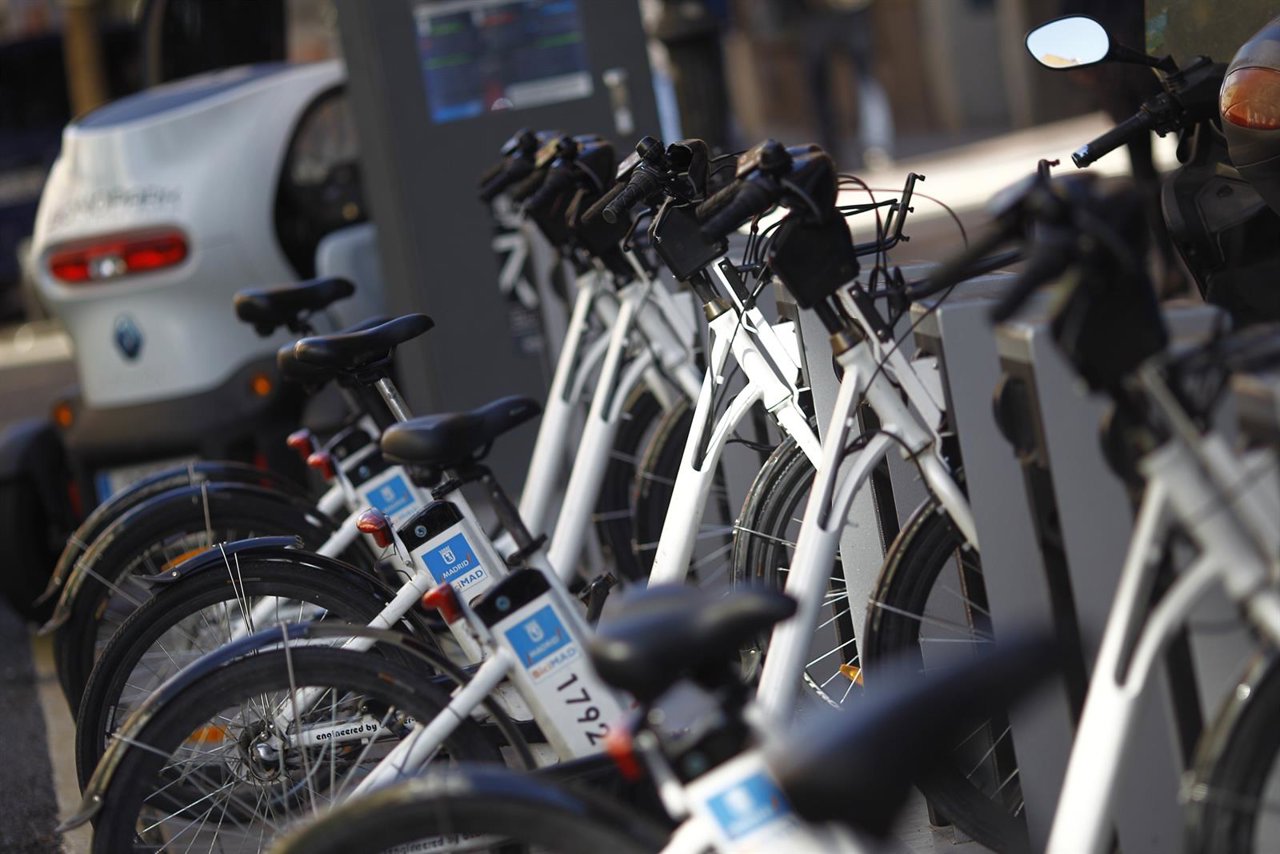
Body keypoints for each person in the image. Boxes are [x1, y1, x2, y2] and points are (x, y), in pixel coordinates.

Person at [802, 0, 894, 170]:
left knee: (866, 82)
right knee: (820, 87)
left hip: (852, 9)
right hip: (814, 12)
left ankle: (875, 148)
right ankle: (831, 153)